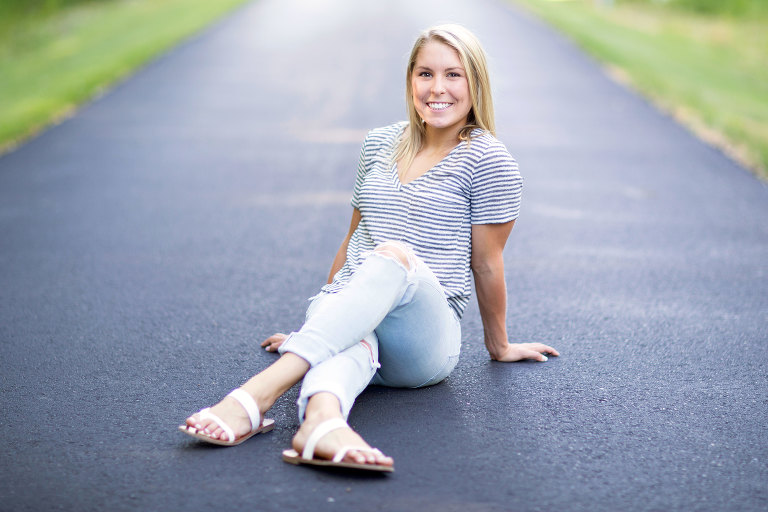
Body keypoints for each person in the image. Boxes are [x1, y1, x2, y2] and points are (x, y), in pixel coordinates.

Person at [179, 23, 559, 472]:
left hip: (422, 341)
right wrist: (324, 322)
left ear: (476, 82)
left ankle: (254, 396)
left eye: (454, 75)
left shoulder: (491, 162)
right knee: (352, 335)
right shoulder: (378, 143)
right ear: (410, 80)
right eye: (425, 74)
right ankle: (320, 426)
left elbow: (488, 263)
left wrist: (499, 345)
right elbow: (353, 235)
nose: (437, 88)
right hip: (360, 323)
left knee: (393, 254)